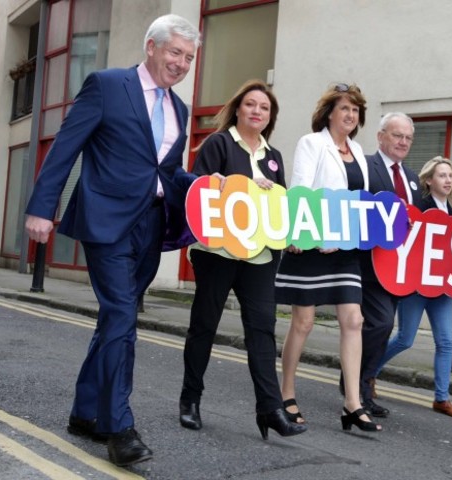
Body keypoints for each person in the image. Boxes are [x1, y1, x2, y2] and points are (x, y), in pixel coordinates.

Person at [24, 14, 200, 466]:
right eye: (175, 52)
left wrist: (213, 187)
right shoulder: (107, 85)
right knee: (122, 315)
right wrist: (42, 207)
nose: (181, 63)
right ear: (151, 47)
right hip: (106, 220)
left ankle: (85, 413)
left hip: (150, 225)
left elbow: (169, 172)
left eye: (188, 56)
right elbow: (66, 146)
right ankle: (119, 427)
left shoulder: (179, 109)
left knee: (113, 322)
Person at [178, 80, 306, 441]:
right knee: (204, 325)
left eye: (264, 108)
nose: (256, 111)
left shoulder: (274, 156)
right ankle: (190, 400)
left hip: (261, 256)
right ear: (237, 109)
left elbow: (279, 206)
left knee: (263, 329)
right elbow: (198, 186)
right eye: (250, 104)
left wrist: (288, 234)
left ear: (270, 117)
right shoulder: (219, 143)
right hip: (218, 253)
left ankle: (270, 409)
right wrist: (215, 181)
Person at [275, 83, 381, 432]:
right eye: (345, 109)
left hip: (345, 249)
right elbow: (302, 189)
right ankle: (286, 393)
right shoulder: (312, 143)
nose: (351, 115)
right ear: (330, 113)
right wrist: (307, 234)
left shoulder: (358, 150)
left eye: (355, 110)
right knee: (303, 323)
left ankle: (352, 402)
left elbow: (359, 199)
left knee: (353, 320)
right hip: (311, 246)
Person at [374, 156, 452, 418]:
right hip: (416, 287)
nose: (447, 180)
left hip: (441, 288)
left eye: (450, 175)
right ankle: (368, 374)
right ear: (428, 180)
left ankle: (442, 398)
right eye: (441, 175)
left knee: (446, 342)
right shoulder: (419, 207)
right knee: (405, 339)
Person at [356, 112, 423, 418]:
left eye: (408, 137)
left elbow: (420, 222)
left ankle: (362, 382)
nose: (403, 142)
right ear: (381, 136)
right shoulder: (364, 167)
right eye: (398, 135)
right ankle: (360, 386)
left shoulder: (411, 178)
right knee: (380, 323)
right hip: (368, 264)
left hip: (398, 269)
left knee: (383, 328)